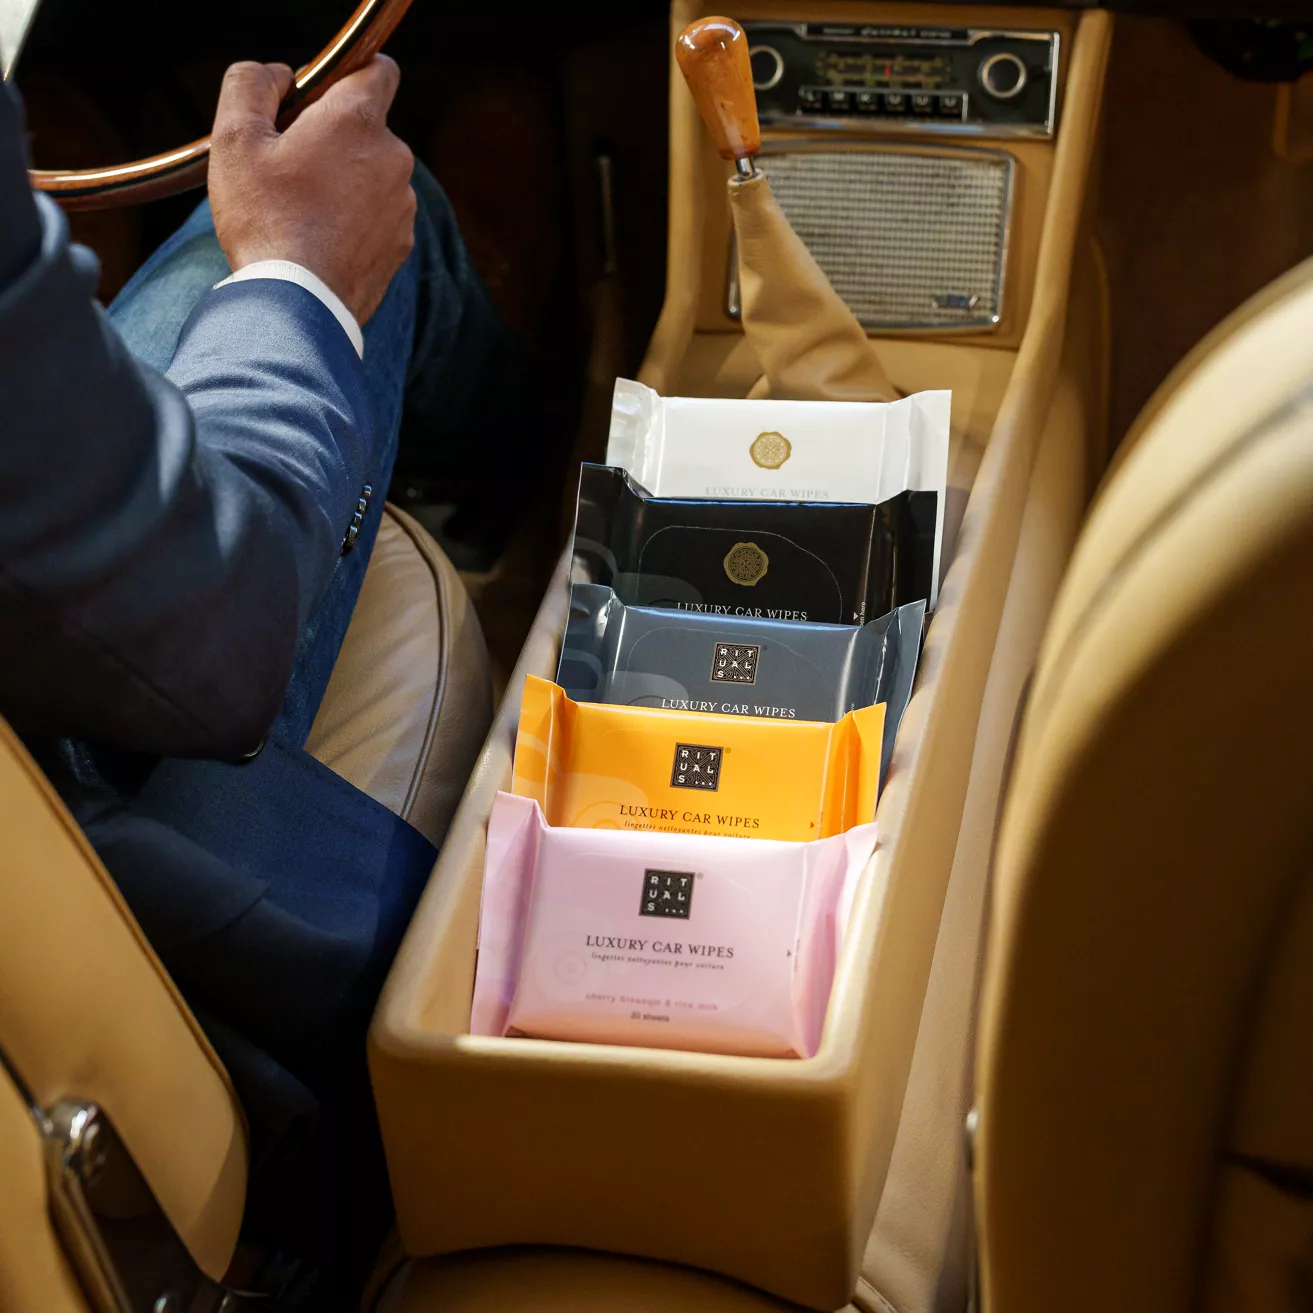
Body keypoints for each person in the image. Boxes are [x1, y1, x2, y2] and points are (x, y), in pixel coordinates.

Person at [0, 56, 533, 1303]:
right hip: (100, 810)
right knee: (375, 205)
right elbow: (212, 626)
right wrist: (301, 274)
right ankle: (523, 430)